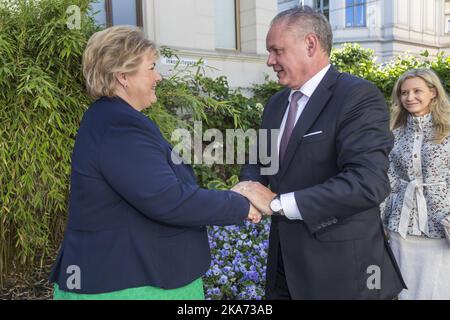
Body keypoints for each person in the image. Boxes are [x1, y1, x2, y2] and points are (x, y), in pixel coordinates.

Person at [48, 25, 261, 300]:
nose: (158, 76)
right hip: (128, 285)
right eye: (151, 68)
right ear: (123, 76)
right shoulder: (118, 125)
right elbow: (168, 199)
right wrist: (241, 204)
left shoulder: (113, 119)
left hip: (133, 276)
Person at [233, 6, 406, 299]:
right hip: (284, 266)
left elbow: (367, 183)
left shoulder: (357, 96)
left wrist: (276, 203)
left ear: (310, 44)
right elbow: (260, 161)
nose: (269, 61)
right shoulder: (276, 103)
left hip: (342, 273)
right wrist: (246, 189)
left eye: (277, 50)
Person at [380, 68, 450, 300]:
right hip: (402, 225)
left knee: (438, 288)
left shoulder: (448, 131)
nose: (409, 97)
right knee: (406, 290)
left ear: (433, 92)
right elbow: (387, 177)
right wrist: (378, 218)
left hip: (442, 225)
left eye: (417, 91)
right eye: (404, 92)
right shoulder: (394, 133)